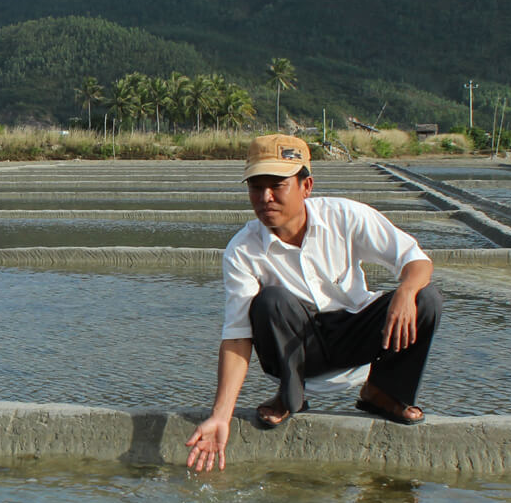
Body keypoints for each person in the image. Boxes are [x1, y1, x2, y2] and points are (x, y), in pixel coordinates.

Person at [186, 134, 441, 471]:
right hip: (300, 345)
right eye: (256, 187)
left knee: (427, 298)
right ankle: (291, 396)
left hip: (355, 331)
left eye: (277, 185)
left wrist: (406, 293)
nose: (265, 197)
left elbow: (416, 261)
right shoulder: (243, 250)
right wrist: (221, 415)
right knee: (270, 301)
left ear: (306, 186)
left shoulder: (345, 216)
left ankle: (383, 392)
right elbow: (237, 336)